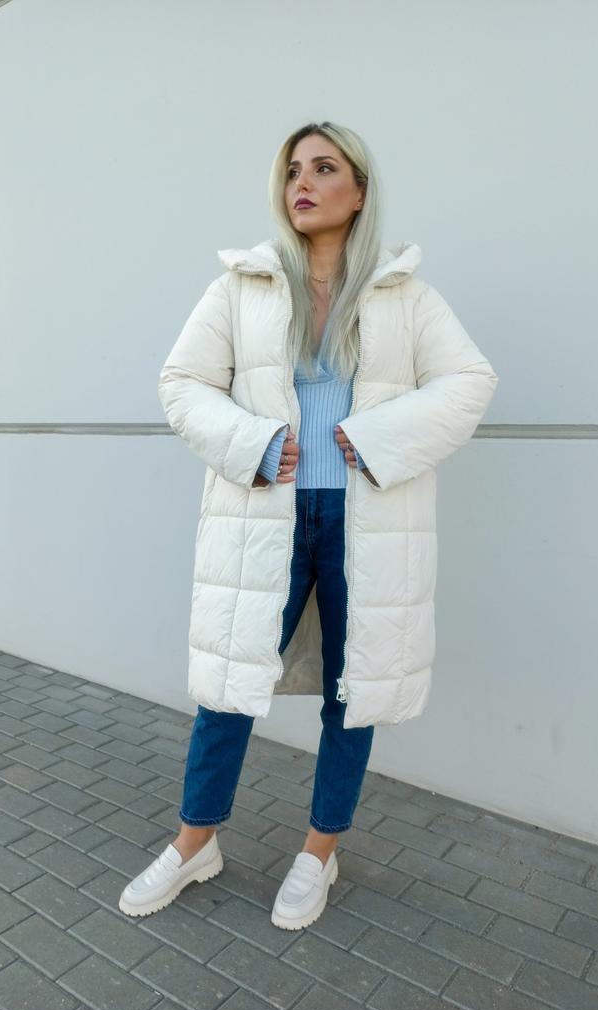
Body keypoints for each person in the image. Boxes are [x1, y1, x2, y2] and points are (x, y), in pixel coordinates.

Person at [119, 120, 499, 930]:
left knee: (351, 690)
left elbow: (469, 381)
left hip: (367, 519)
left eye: (325, 168)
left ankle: (319, 851)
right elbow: (182, 383)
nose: (304, 182)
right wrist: (255, 444)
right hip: (266, 514)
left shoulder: (404, 293)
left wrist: (375, 437)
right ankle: (194, 842)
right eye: (294, 169)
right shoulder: (242, 286)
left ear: (358, 192)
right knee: (228, 686)